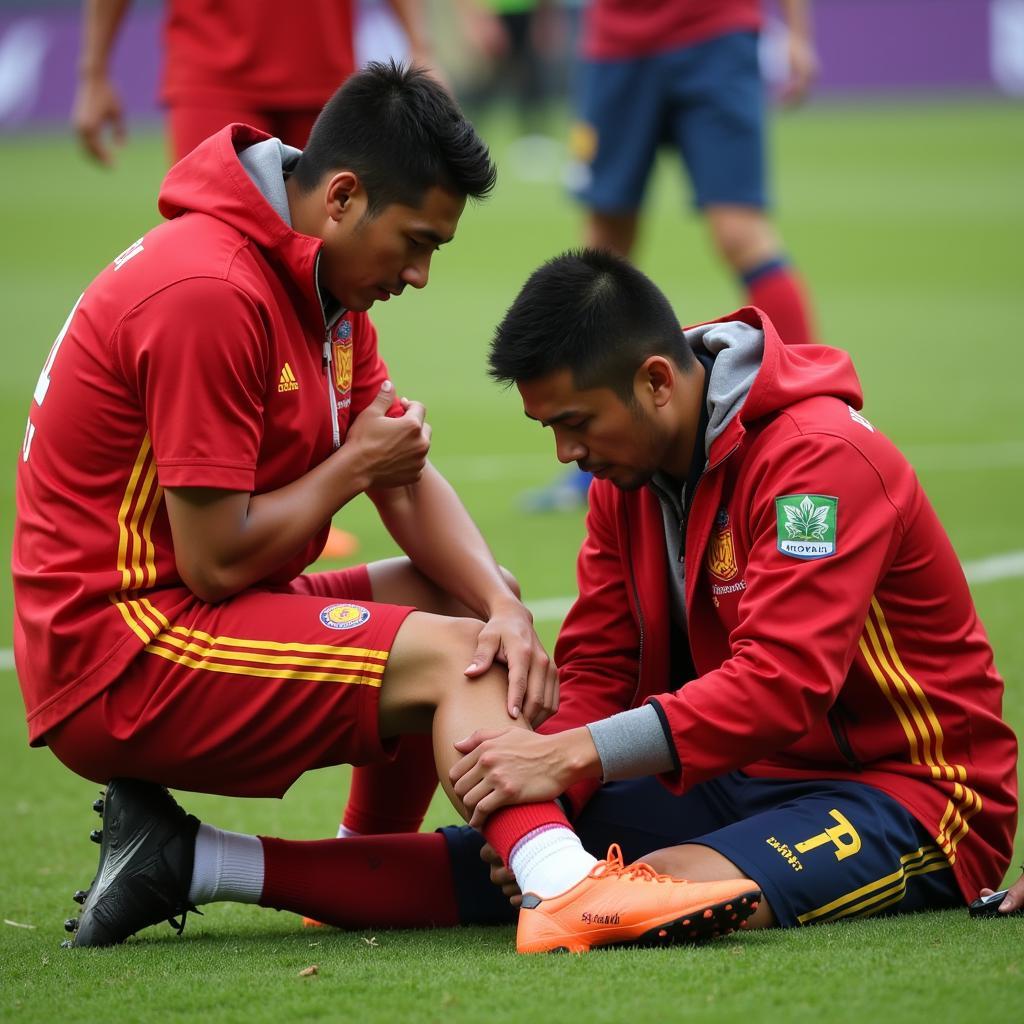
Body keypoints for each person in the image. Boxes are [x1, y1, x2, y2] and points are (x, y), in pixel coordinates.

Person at [14, 66, 759, 955]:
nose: (420, 273)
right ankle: (564, 886)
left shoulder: (311, 278)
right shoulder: (209, 291)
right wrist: (351, 466)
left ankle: (355, 872)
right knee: (457, 657)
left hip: (185, 611)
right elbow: (217, 557)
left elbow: (399, 470)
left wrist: (504, 604)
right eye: (414, 242)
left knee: (468, 607)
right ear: (341, 197)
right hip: (120, 653)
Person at [279, 248, 1016, 933]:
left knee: (638, 896)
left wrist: (571, 756)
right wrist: (548, 803)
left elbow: (782, 684)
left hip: (906, 790)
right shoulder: (624, 477)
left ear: (657, 382)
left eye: (575, 424)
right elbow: (602, 667)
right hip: (731, 770)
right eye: (550, 430)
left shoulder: (820, 462)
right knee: (518, 861)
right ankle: (212, 865)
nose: (568, 454)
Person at [523, 0, 818, 511]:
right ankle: (596, 452)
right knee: (603, 245)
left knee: (740, 232)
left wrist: (795, 31)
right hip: (616, 42)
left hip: (716, 29)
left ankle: (813, 422)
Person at [72, 0, 436, 164]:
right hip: (213, 71)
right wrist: (93, 73)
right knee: (210, 249)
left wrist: (421, 46)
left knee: (334, 268)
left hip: (324, 75)